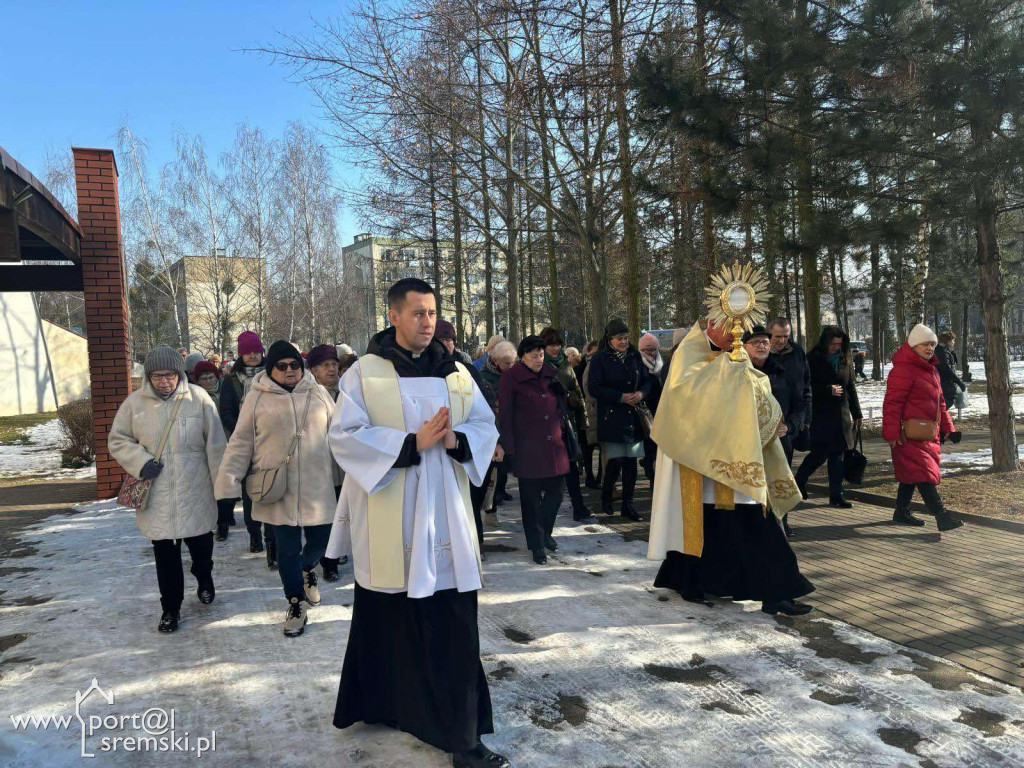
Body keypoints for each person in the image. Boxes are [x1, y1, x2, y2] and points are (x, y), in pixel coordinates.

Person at [325, 278, 506, 768]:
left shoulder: (457, 373)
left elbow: (485, 427)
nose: (428, 322)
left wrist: (455, 442)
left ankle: (462, 736)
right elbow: (343, 437)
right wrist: (411, 444)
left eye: (432, 313)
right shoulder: (365, 374)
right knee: (386, 615)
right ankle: (382, 702)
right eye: (418, 313)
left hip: (444, 512)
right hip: (392, 513)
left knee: (451, 623)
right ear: (394, 317)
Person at [648, 318, 814, 616]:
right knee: (706, 525)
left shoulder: (735, 358)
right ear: (712, 326)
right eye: (729, 327)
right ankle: (692, 582)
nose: (735, 333)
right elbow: (683, 399)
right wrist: (730, 372)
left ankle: (776, 593)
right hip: (697, 461)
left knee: (749, 525)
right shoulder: (691, 354)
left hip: (738, 457)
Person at [216, 341, 338, 637]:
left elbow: (340, 435)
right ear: (271, 369)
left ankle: (309, 568)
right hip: (275, 487)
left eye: (294, 365)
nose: (289, 371)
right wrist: (228, 478)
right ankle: (295, 603)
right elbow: (241, 441)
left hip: (317, 486)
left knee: (324, 538)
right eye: (281, 366)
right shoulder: (256, 398)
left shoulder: (318, 393)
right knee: (286, 549)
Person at [108, 345, 226, 633]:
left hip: (196, 489)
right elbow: (118, 439)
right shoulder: (134, 404)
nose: (164, 381)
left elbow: (216, 444)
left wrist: (223, 486)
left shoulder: (198, 399)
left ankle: (204, 576)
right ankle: (170, 608)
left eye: (170, 375)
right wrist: (140, 461)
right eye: (158, 376)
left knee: (201, 547)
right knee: (165, 555)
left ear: (179, 374)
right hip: (158, 495)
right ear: (149, 377)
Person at [883, 325, 964, 531]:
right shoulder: (902, 370)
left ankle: (901, 511)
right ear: (913, 345)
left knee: (912, 474)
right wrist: (891, 433)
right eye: (925, 344)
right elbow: (892, 404)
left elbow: (941, 404)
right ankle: (942, 516)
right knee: (923, 474)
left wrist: (948, 429)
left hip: (927, 433)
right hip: (907, 434)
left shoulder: (931, 370)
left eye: (933, 344)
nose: (930, 348)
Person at [501, 335, 572, 565]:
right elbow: (506, 416)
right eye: (533, 355)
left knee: (557, 492)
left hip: (555, 446)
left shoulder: (551, 374)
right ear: (523, 356)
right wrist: (509, 448)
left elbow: (561, 404)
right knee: (530, 501)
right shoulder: (511, 378)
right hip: (527, 448)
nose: (538, 359)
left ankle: (545, 532)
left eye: (541, 355)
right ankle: (536, 544)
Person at [218, 330, 276, 561]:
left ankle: (272, 542)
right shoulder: (231, 381)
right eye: (247, 352)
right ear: (241, 355)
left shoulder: (273, 375)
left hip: (271, 442)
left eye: (256, 351)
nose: (252, 356)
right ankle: (255, 536)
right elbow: (227, 413)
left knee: (273, 491)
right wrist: (245, 433)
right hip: (245, 445)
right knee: (250, 492)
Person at [745, 326, 808, 537]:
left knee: (779, 482)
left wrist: (790, 425)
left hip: (780, 441)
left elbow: (801, 402)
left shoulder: (782, 370)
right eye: (756, 343)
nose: (762, 346)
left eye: (765, 342)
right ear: (744, 347)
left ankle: (781, 524)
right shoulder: (737, 373)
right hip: (747, 444)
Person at [586, 319, 652, 521]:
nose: (624, 342)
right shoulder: (600, 359)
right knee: (615, 462)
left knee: (631, 463)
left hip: (633, 417)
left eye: (626, 338)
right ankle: (607, 498)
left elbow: (648, 380)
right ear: (610, 339)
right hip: (613, 416)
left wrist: (641, 393)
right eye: (619, 338)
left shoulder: (634, 355)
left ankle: (628, 504)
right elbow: (594, 388)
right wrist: (620, 397)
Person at [794, 326, 862, 509]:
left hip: (841, 415)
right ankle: (798, 481)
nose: (836, 347)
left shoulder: (844, 360)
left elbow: (850, 387)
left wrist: (857, 413)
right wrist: (826, 390)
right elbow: (804, 387)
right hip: (821, 414)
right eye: (833, 344)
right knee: (819, 454)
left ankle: (836, 495)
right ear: (825, 342)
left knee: (837, 455)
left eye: (839, 344)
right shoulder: (813, 359)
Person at [541, 327, 595, 521]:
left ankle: (578, 506)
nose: (555, 348)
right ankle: (544, 510)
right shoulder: (538, 365)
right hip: (546, 425)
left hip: (567, 422)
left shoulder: (565, 363)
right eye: (550, 345)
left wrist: (583, 419)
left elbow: (577, 390)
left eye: (557, 344)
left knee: (571, 466)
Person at [308, 343, 349, 581]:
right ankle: (328, 562)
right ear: (314, 369)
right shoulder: (308, 394)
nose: (332, 369)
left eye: (334, 364)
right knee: (325, 518)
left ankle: (340, 551)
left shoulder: (348, 390)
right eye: (326, 365)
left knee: (345, 513)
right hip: (321, 464)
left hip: (346, 465)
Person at [475, 341, 516, 536]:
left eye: (512, 362)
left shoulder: (513, 375)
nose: (510, 366)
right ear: (495, 360)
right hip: (491, 430)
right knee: (490, 475)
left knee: (500, 472)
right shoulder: (484, 377)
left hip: (509, 428)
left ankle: (493, 507)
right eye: (506, 363)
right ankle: (489, 512)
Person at [768, 317, 811, 457]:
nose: (782, 340)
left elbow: (806, 385)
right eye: (778, 336)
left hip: (790, 421)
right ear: (770, 334)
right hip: (766, 421)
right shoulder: (761, 354)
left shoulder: (797, 352)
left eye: (786, 336)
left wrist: (806, 418)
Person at [637, 333, 665, 483]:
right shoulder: (638, 364)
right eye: (647, 350)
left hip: (661, 410)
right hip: (646, 412)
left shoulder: (661, 363)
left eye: (654, 349)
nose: (651, 353)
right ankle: (650, 473)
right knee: (650, 446)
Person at [577, 340, 602, 489]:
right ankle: (592, 477)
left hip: (589, 409)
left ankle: (596, 477)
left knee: (593, 445)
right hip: (588, 409)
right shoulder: (584, 366)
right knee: (589, 445)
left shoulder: (585, 365)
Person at [935, 330, 966, 416]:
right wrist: (959, 382)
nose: (954, 342)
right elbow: (946, 369)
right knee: (945, 403)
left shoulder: (945, 350)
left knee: (945, 404)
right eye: (953, 340)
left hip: (946, 382)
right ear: (948, 341)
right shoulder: (942, 351)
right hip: (944, 383)